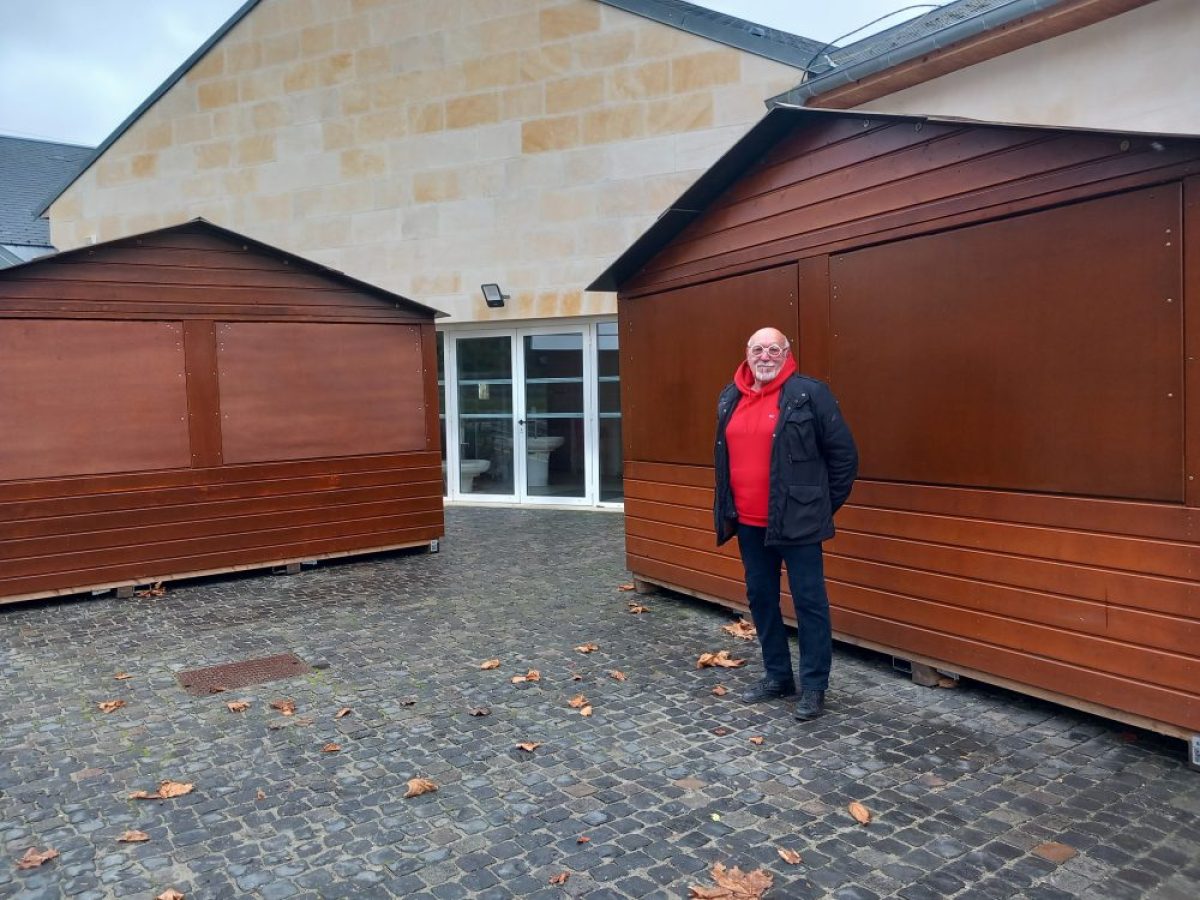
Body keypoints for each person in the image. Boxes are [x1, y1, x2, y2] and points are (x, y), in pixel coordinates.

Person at [713, 327, 858, 721]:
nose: (766, 356)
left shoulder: (809, 394)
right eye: (758, 349)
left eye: (774, 349)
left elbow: (844, 457)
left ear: (786, 353)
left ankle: (814, 686)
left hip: (799, 523)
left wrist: (818, 507)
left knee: (810, 603)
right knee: (761, 599)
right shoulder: (729, 397)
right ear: (747, 353)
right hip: (748, 522)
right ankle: (778, 676)